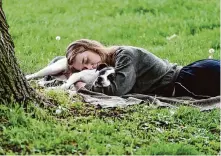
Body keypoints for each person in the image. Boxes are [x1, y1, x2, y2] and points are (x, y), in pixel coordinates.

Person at [65, 39, 220, 98]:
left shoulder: (124, 55)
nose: (89, 67)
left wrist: (83, 86)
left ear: (93, 48)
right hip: (194, 73)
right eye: (83, 68)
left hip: (191, 79)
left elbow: (118, 90)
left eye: (87, 59)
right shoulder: (111, 63)